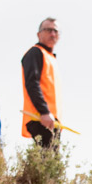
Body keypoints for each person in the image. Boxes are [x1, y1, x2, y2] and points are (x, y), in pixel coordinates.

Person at [21, 17, 61, 147]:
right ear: (39, 34)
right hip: (40, 117)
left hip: (52, 120)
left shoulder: (51, 58)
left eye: (55, 31)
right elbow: (32, 83)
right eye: (48, 30)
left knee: (51, 160)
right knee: (45, 161)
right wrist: (44, 111)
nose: (52, 34)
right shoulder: (35, 53)